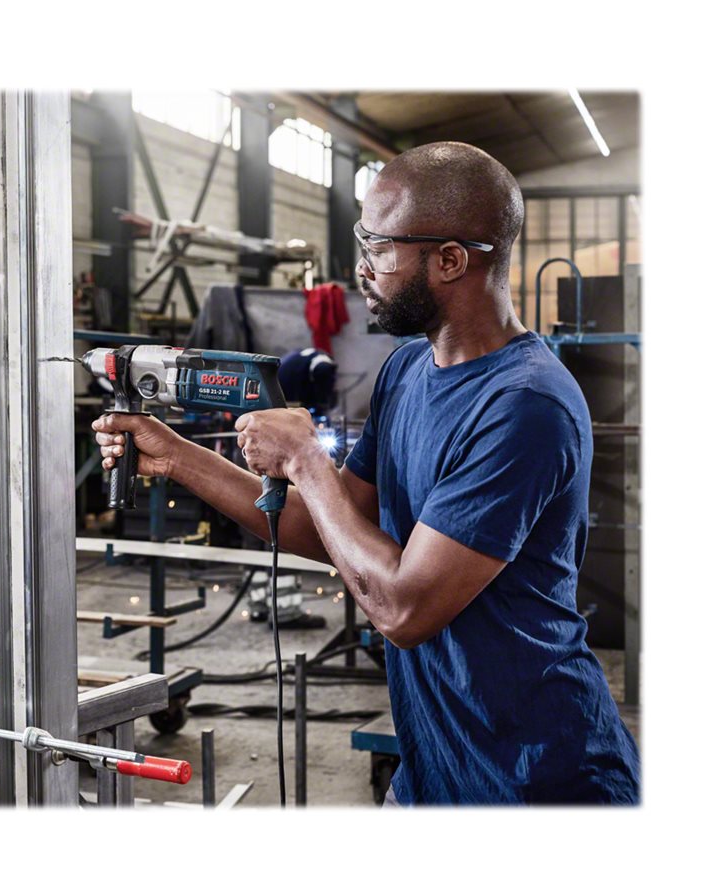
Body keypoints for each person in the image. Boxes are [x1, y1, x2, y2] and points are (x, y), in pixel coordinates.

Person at [92, 142, 639, 805]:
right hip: (433, 768)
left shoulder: (524, 405)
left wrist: (305, 460)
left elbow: (404, 610)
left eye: (378, 247)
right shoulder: (406, 370)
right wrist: (176, 455)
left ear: (450, 260)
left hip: (538, 779)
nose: (361, 267)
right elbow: (330, 528)